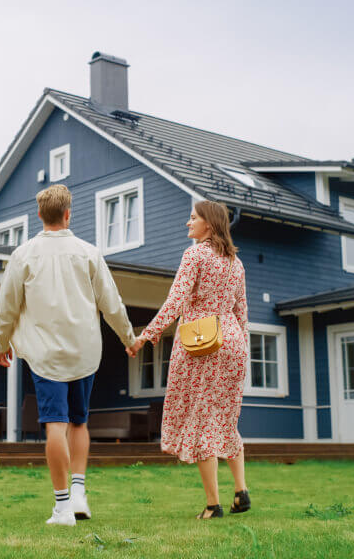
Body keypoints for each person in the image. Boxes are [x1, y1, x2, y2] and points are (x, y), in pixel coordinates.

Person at [0, 184, 136, 527]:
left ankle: (62, 509)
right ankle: (78, 493)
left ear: (40, 216)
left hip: (45, 356)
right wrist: (128, 338)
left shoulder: (23, 255)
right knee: (79, 422)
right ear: (69, 214)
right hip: (84, 352)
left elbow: (6, 307)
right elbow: (111, 303)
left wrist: (3, 343)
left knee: (55, 425)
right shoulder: (89, 252)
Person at [127, 200, 251, 520]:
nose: (187, 223)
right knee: (225, 419)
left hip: (203, 342)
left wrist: (147, 335)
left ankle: (213, 504)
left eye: (192, 218)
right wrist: (243, 351)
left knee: (201, 421)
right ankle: (241, 491)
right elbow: (242, 314)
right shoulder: (236, 263)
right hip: (234, 342)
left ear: (208, 224)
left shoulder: (195, 254)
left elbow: (175, 301)